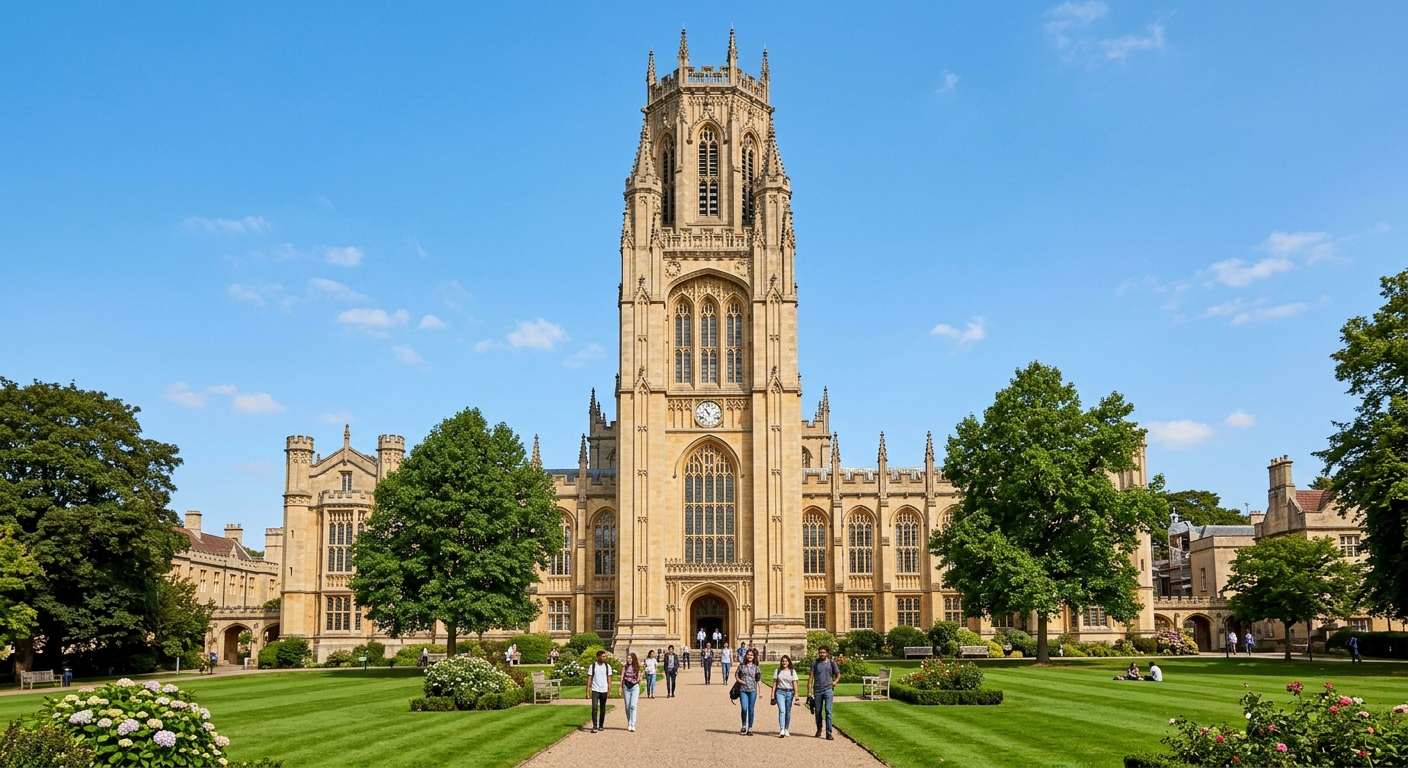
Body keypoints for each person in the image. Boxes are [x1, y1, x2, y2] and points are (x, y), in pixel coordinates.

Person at [807, 645, 839, 740]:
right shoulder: (815, 663)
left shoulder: (831, 663)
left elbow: (838, 674)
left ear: (827, 653)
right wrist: (809, 692)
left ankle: (829, 733)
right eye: (820, 652)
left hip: (828, 689)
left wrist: (835, 682)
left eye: (823, 652)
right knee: (818, 712)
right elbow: (811, 678)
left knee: (828, 711)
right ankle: (819, 729)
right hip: (817, 690)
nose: (822, 654)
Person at [769, 654, 798, 737]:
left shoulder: (792, 671)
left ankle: (786, 729)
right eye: (783, 661)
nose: (784, 663)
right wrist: (772, 695)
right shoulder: (777, 671)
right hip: (780, 692)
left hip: (789, 692)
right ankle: (781, 729)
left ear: (788, 662)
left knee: (788, 712)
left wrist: (796, 696)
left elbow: (795, 683)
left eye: (786, 661)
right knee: (782, 710)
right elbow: (774, 683)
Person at [735, 647, 762, 736]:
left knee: (751, 709)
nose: (750, 656)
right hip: (743, 690)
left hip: (752, 690)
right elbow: (736, 674)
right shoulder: (741, 665)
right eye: (748, 655)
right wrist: (740, 681)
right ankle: (743, 725)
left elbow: (758, 679)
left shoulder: (756, 667)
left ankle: (750, 728)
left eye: (751, 655)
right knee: (744, 708)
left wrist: (760, 691)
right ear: (746, 656)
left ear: (754, 657)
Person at [587, 650, 614, 733]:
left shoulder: (607, 666)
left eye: (604, 656)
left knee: (602, 708)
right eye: (602, 656)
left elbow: (609, 678)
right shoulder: (593, 666)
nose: (604, 658)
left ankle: (601, 725)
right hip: (595, 689)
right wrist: (587, 691)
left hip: (604, 689)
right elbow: (589, 678)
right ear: (598, 657)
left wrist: (609, 688)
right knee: (594, 707)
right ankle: (595, 726)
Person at [622, 653, 642, 732]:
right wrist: (620, 687)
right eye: (628, 658)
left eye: (630, 658)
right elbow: (622, 677)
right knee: (627, 706)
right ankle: (629, 721)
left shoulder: (637, 667)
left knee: (633, 706)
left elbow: (639, 676)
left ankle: (632, 724)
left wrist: (640, 679)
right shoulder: (625, 667)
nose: (628, 660)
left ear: (633, 659)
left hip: (634, 687)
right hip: (626, 686)